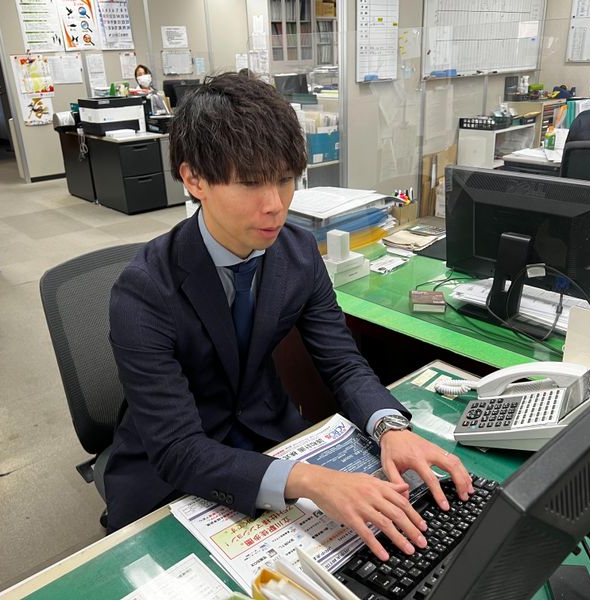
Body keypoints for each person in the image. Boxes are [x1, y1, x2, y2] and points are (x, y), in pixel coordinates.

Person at [104, 73, 474, 562]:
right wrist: (312, 481)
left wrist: (391, 428)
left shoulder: (297, 253)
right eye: (250, 183)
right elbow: (177, 449)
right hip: (171, 474)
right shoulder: (143, 290)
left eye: (284, 180)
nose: (275, 205)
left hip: (271, 439)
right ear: (194, 180)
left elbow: (342, 362)